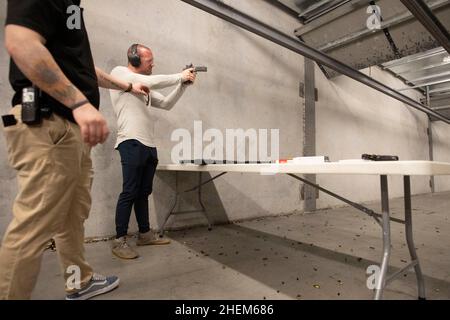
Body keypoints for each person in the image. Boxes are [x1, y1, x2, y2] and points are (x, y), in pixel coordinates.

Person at [0, 0, 149, 300]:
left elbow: (81, 67)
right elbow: (20, 40)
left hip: (70, 129)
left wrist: (127, 87)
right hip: (48, 121)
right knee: (34, 226)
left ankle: (79, 281)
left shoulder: (71, 8)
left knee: (72, 214)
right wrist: (78, 103)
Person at [109, 44, 196, 259]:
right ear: (135, 60)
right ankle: (119, 240)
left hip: (148, 144)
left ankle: (145, 234)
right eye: (149, 61)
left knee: (143, 192)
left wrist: (182, 85)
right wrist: (179, 75)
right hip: (130, 141)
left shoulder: (143, 86)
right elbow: (147, 81)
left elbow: (166, 103)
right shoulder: (120, 73)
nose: (153, 64)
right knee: (129, 191)